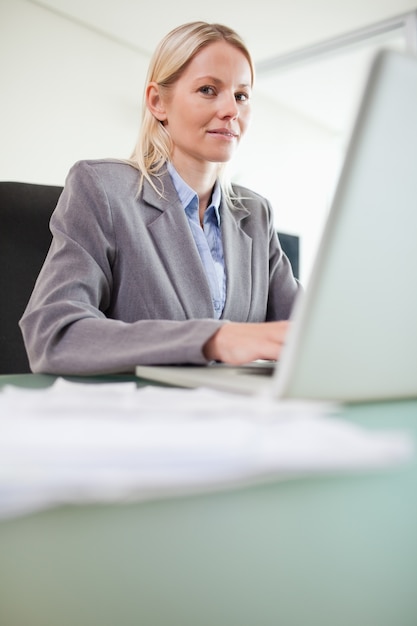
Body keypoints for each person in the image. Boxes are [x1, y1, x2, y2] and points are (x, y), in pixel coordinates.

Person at [20, 21, 301, 376]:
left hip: (240, 418)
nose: (231, 109)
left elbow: (309, 329)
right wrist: (215, 338)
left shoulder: (255, 215)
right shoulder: (102, 189)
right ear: (158, 102)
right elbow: (53, 334)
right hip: (140, 418)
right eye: (208, 89)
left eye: (241, 95)